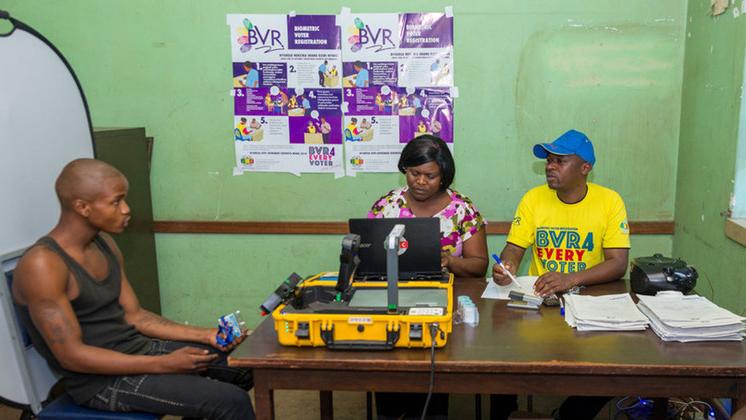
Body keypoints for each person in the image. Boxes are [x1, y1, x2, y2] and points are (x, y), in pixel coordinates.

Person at [11, 159, 255, 420]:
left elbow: (135, 316)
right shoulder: (43, 265)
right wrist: (163, 365)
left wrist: (206, 335)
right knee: (231, 402)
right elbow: (71, 356)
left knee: (246, 366)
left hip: (136, 350)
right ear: (82, 207)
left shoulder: (104, 243)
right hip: (98, 382)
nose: (127, 209)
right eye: (116, 202)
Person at [491, 129, 630, 420]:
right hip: (539, 303)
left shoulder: (609, 201)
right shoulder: (534, 199)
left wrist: (570, 278)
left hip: (588, 302)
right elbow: (513, 248)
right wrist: (507, 266)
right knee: (500, 363)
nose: (550, 166)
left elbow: (618, 263)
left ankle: (566, 415)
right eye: (549, 160)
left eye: (560, 161)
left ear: (585, 167)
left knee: (609, 373)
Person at [368, 135, 488, 420]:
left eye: (430, 176)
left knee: (431, 374)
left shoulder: (462, 210)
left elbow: (479, 265)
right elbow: (368, 256)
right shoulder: (388, 204)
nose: (420, 181)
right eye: (414, 173)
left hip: (444, 306)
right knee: (390, 372)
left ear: (444, 175)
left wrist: (450, 261)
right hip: (393, 303)